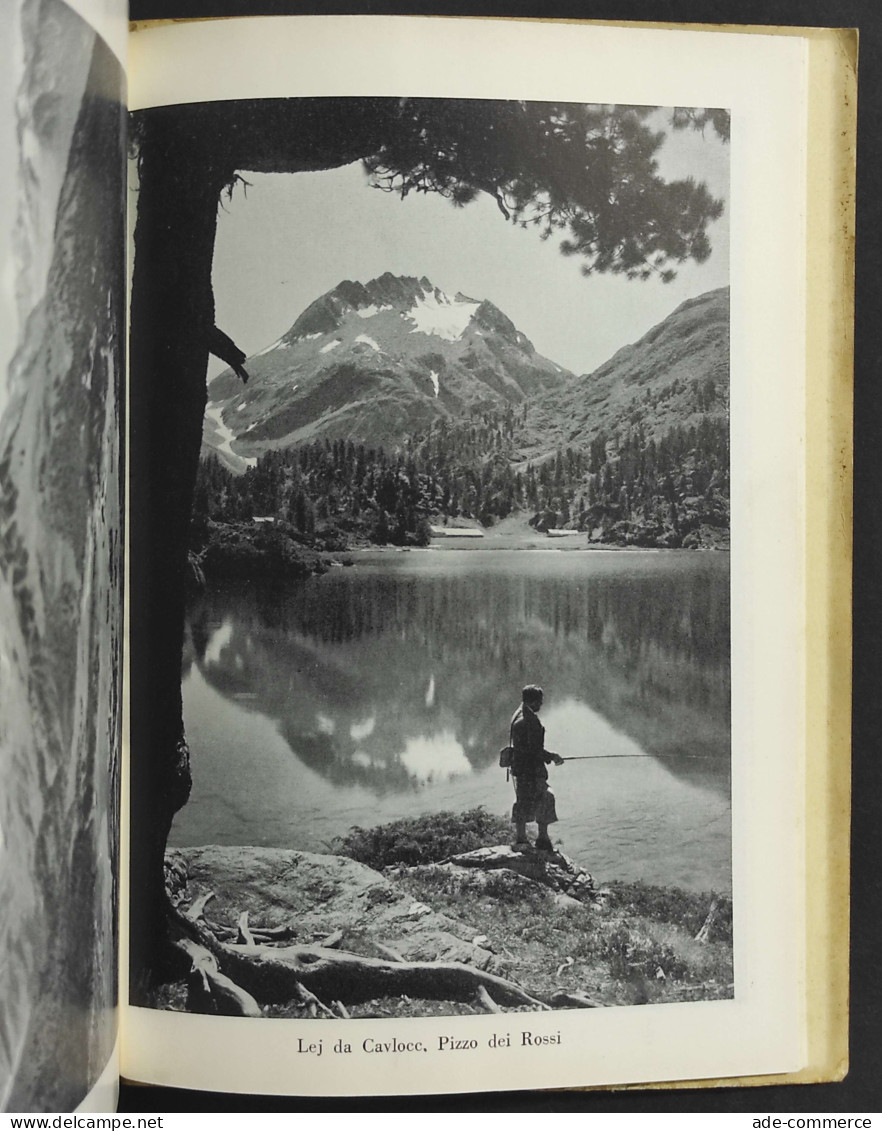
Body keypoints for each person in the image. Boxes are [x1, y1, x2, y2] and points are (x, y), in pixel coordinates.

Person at [509, 684, 564, 852]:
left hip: (520, 769)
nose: (541, 705)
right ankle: (542, 839)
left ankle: (521, 839)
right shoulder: (529, 721)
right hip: (531, 770)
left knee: (523, 800)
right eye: (540, 701)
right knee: (546, 797)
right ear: (533, 701)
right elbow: (534, 750)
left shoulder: (518, 714)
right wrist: (552, 757)